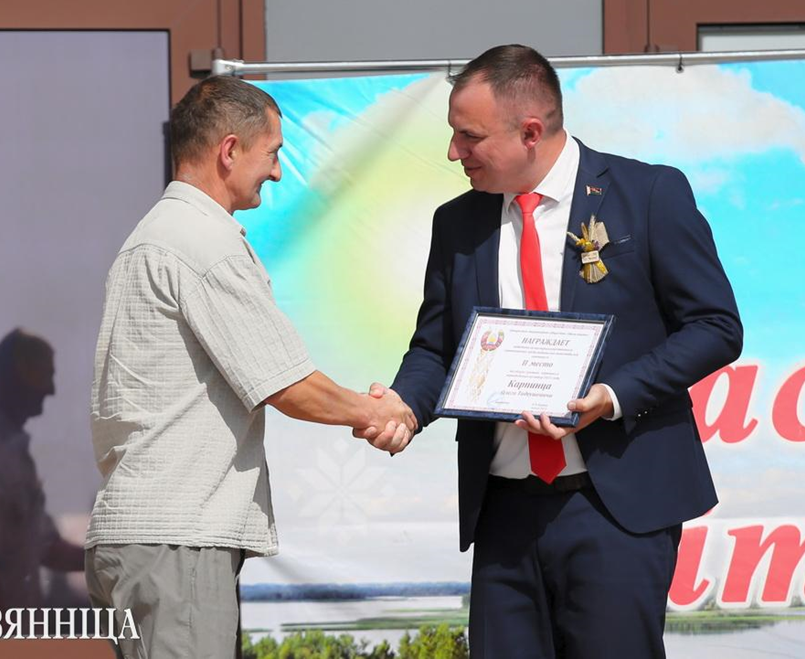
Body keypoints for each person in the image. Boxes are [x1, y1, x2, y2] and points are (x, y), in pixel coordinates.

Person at [358, 45, 742, 658]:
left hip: (615, 506)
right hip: (504, 510)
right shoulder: (457, 223)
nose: (454, 152)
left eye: (469, 136)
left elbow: (715, 326)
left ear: (530, 132)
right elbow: (436, 347)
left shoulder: (647, 194)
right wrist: (403, 407)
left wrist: (612, 396)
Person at [85, 75, 415, 658]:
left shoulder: (153, 236)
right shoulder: (201, 243)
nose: (278, 172)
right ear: (230, 150)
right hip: (178, 541)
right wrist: (380, 414)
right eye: (273, 153)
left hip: (149, 538)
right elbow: (287, 385)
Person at [0, 328, 85, 610]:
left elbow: (47, 548)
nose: (51, 390)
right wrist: (2, 636)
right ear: (18, 376)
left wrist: (115, 560)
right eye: (45, 375)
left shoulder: (12, 455)